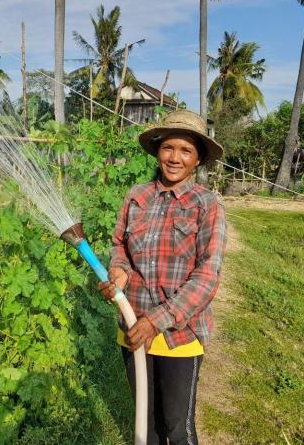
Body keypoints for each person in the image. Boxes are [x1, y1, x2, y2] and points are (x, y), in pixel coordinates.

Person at [98, 109, 227, 445]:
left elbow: (208, 275)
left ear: (198, 159)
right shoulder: (136, 197)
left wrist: (156, 320)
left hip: (179, 335)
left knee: (177, 428)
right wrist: (118, 275)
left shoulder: (207, 204)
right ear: (157, 150)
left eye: (186, 151)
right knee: (147, 424)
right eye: (169, 147)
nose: (175, 158)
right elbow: (120, 248)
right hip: (133, 327)